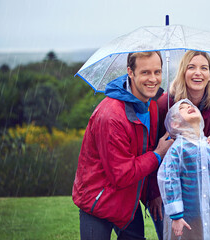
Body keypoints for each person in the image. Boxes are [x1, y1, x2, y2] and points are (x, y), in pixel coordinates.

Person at [72, 51, 174, 240]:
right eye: (145, 73)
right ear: (130, 72)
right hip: (98, 200)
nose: (153, 79)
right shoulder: (111, 116)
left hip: (128, 199)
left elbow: (146, 149)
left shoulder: (151, 105)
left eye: (157, 72)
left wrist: (153, 192)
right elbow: (122, 174)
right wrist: (158, 154)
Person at [148, 50, 210, 239]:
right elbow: (153, 148)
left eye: (204, 68)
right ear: (183, 72)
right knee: (172, 234)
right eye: (191, 67)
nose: (198, 73)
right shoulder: (166, 104)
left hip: (198, 187)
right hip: (168, 186)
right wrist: (154, 192)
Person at [157, 99, 210, 240]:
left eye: (190, 106)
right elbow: (168, 180)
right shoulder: (177, 150)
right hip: (182, 217)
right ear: (175, 123)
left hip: (205, 212)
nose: (189, 107)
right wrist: (176, 214)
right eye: (183, 109)